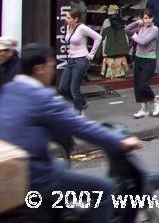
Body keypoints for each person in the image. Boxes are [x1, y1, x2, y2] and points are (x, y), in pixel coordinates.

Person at [0, 43, 142, 223]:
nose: (53, 72)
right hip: (37, 176)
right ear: (39, 69)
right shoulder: (42, 98)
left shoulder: (9, 89)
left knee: (62, 166)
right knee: (105, 191)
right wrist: (120, 142)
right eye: (51, 67)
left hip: (21, 171)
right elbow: (81, 127)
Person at [59, 8, 101, 115]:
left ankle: (79, 110)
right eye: (66, 17)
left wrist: (91, 53)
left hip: (81, 60)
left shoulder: (82, 28)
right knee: (63, 88)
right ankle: (81, 103)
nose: (66, 19)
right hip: (71, 60)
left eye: (69, 18)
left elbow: (98, 37)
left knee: (74, 88)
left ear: (76, 19)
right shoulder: (68, 27)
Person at [126, 9, 159, 118]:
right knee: (138, 85)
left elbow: (143, 41)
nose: (147, 20)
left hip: (149, 59)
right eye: (145, 18)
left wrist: (134, 36)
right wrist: (137, 23)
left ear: (153, 18)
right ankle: (143, 109)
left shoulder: (155, 29)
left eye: (149, 18)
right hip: (138, 58)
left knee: (143, 84)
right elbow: (127, 29)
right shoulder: (141, 26)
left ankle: (156, 101)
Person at [100, 5, 130, 79]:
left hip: (108, 51)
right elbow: (126, 36)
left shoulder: (106, 22)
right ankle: (121, 73)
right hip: (121, 51)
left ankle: (106, 73)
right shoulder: (121, 21)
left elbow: (102, 36)